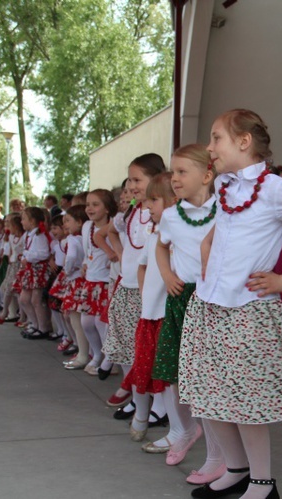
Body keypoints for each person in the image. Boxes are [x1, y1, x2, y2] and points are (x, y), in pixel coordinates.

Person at [178, 109, 282, 499]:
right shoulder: (224, 186)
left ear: (243, 142)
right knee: (208, 393)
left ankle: (263, 482)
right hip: (209, 304)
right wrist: (207, 249)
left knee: (245, 400)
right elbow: (224, 231)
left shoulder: (276, 188)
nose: (209, 147)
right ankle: (236, 469)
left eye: (216, 138)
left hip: (247, 308)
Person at [150, 145, 222, 482]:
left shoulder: (225, 210)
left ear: (207, 176)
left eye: (182, 172)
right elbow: (161, 246)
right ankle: (185, 429)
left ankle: (217, 456)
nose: (174, 179)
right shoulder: (170, 216)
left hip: (212, 302)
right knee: (179, 377)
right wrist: (166, 274)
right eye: (172, 172)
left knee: (208, 384)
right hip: (181, 301)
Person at [101, 155, 165, 407]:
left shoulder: (158, 212)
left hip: (149, 291)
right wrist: (118, 252)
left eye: (137, 179)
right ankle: (138, 397)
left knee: (149, 350)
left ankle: (157, 405)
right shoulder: (131, 212)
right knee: (127, 347)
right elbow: (110, 232)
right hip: (127, 285)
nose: (132, 185)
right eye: (130, 179)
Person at [125, 172, 174, 444]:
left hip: (168, 315)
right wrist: (145, 294)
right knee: (143, 366)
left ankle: (172, 425)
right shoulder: (153, 233)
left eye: (153, 200)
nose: (147, 206)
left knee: (164, 374)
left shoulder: (181, 234)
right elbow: (143, 264)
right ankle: (141, 414)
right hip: (150, 313)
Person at [62, 191, 116, 370]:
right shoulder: (86, 226)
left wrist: (111, 261)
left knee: (101, 322)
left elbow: (117, 249)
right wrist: (85, 263)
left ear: (107, 208)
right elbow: (87, 251)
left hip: (105, 281)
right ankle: (97, 353)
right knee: (86, 322)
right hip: (90, 280)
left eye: (95, 204)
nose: (90, 208)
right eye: (88, 205)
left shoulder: (113, 226)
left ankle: (109, 358)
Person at [56, 205, 89, 359]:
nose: (65, 225)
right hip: (84, 280)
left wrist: (67, 270)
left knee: (75, 318)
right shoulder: (85, 237)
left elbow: (70, 258)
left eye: (68, 221)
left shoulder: (72, 239)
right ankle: (85, 351)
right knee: (79, 318)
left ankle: (82, 353)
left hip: (75, 280)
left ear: (80, 222)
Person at [17, 207, 53, 339]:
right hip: (30, 269)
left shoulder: (39, 235)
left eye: (24, 219)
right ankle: (34, 323)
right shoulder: (28, 235)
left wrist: (29, 257)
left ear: (32, 221)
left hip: (38, 269)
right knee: (24, 299)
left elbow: (44, 253)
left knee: (36, 300)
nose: (21, 222)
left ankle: (42, 327)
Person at [0, 214, 25, 324]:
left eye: (11, 226)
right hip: (13, 265)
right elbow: (10, 251)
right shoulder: (11, 237)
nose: (9, 228)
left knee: (19, 292)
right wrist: (10, 258)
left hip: (21, 266)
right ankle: (5, 311)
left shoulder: (24, 237)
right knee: (7, 289)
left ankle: (22, 316)